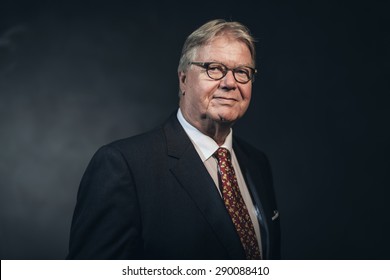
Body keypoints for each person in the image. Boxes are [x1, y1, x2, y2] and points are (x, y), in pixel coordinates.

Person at [67, 19, 280, 260]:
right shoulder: (124, 166)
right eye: (214, 68)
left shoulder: (257, 163)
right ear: (184, 79)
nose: (230, 83)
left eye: (242, 72)